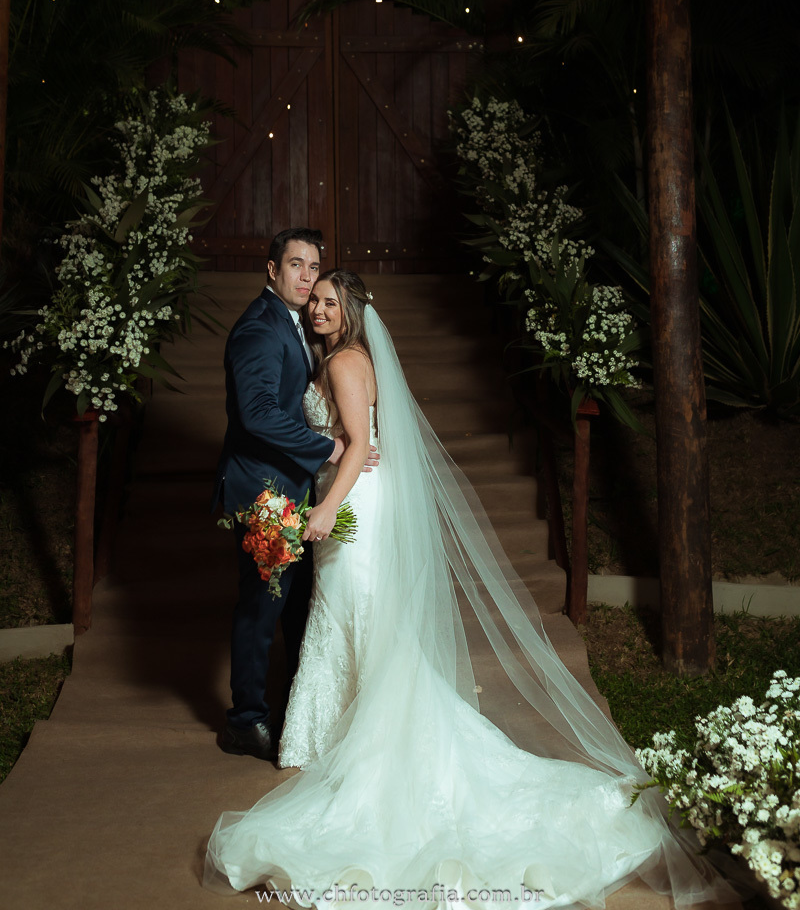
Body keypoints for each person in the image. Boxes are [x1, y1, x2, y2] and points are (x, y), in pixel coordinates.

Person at [205, 272, 741, 907]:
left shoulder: (348, 363)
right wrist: (327, 466)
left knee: (359, 609)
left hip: (353, 508)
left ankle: (375, 733)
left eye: (329, 302)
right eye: (314, 300)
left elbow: (356, 452)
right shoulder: (336, 359)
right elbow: (349, 443)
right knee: (341, 611)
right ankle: (341, 731)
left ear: (350, 311)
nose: (318, 309)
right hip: (344, 498)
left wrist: (324, 510)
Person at [212, 229, 345, 763]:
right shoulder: (259, 328)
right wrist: (327, 448)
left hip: (289, 489)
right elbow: (258, 413)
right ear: (272, 270)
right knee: (262, 608)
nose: (306, 276)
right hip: (262, 492)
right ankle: (245, 720)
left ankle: (295, 708)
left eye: (314, 267)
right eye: (296, 265)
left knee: (292, 604)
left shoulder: (291, 323)